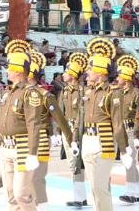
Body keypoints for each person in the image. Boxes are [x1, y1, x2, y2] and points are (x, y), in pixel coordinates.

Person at [0, 39, 46, 211]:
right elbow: (0, 121)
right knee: (10, 194)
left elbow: (34, 124)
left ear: (18, 70)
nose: (7, 70)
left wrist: (32, 153)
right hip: (5, 147)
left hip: (21, 147)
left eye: (10, 67)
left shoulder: (30, 93)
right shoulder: (8, 93)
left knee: (21, 193)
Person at [78, 37, 131, 211]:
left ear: (100, 72)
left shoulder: (113, 93)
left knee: (101, 187)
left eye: (90, 69)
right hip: (88, 140)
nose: (87, 72)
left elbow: (117, 122)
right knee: (94, 187)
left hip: (104, 142)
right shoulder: (89, 92)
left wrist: (123, 150)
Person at [27, 51, 72, 211]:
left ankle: (42, 206)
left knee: (37, 177)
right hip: (21, 141)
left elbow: (59, 117)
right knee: (24, 181)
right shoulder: (18, 94)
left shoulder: (45, 95)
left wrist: (66, 136)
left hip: (40, 140)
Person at [112, 55, 139, 203]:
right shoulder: (116, 92)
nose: (117, 79)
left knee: (129, 161)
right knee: (128, 162)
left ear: (126, 78)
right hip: (120, 130)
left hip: (132, 130)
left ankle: (132, 192)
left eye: (119, 76)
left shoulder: (137, 94)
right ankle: (138, 192)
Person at [58, 52, 88, 208]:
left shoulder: (82, 91)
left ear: (74, 75)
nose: (63, 75)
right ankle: (80, 196)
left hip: (79, 129)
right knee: (72, 163)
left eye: (66, 72)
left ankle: (81, 196)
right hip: (66, 129)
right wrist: (58, 132)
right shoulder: (64, 91)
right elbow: (60, 113)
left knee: (80, 163)